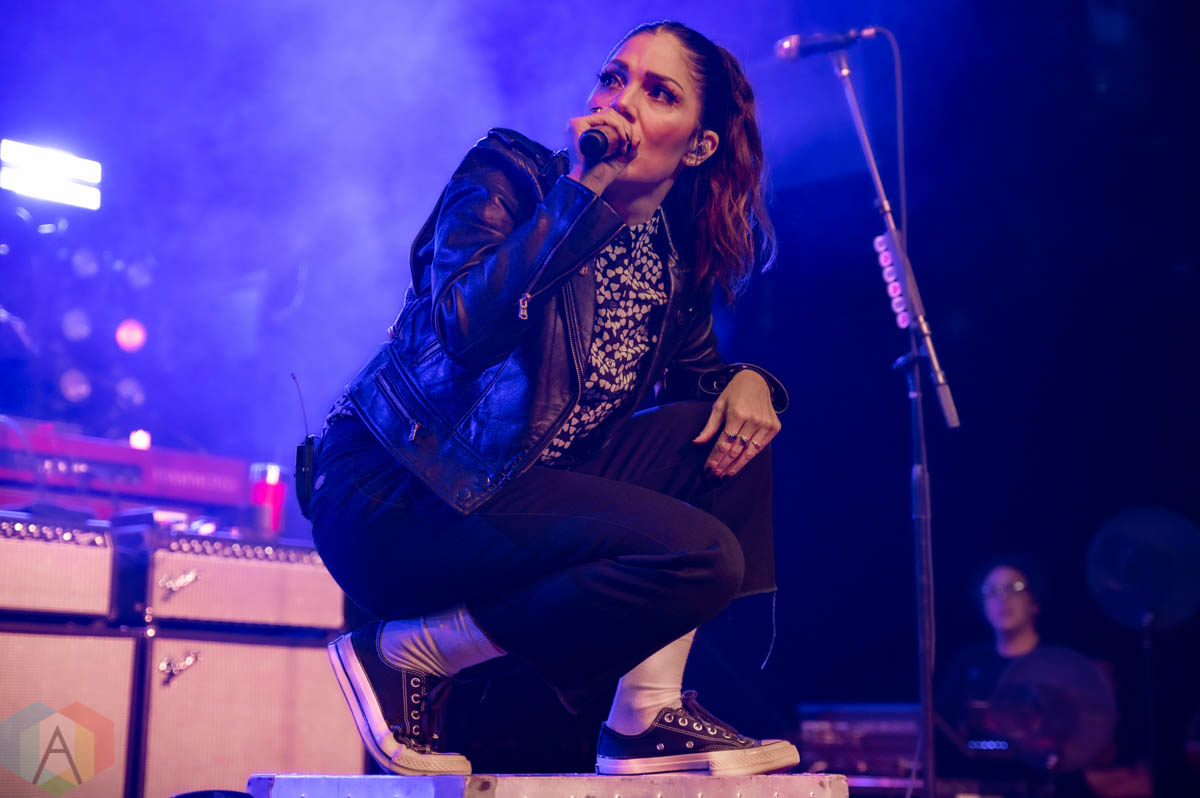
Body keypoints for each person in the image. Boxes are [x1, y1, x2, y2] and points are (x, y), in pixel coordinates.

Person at [307, 21, 799, 777]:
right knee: (701, 555)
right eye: (613, 78)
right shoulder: (509, 176)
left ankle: (644, 717)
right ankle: (408, 652)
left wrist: (750, 381)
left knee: (730, 441)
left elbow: (700, 386)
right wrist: (581, 193)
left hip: (511, 496)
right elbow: (465, 329)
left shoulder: (670, 260)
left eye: (659, 92)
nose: (622, 100)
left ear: (699, 145)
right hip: (398, 490)